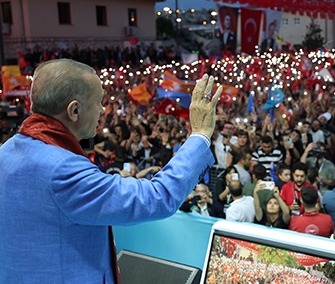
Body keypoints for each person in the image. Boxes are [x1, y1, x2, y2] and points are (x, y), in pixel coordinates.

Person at [0, 59, 222, 283]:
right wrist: (201, 134)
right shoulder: (62, 171)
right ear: (74, 110)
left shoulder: (6, 151)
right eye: (98, 102)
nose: (103, 109)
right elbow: (157, 197)